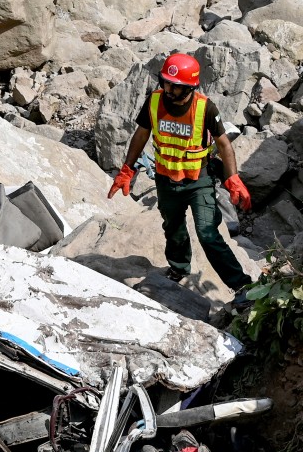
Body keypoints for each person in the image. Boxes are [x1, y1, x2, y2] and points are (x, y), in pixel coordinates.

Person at [107, 52, 253, 298]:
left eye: (176, 87)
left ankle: (241, 286)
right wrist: (127, 169)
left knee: (208, 234)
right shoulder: (153, 102)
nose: (169, 90)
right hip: (166, 180)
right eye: (166, 83)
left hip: (199, 180)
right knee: (173, 228)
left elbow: (224, 144)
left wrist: (233, 179)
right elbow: (141, 135)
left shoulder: (205, 108)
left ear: (190, 87)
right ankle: (178, 268)